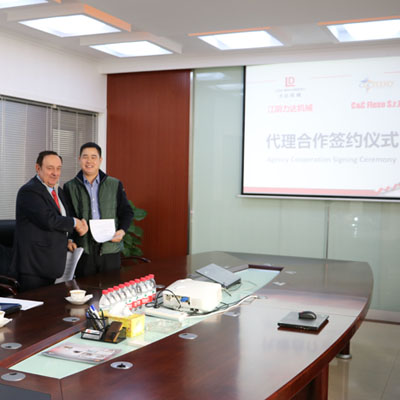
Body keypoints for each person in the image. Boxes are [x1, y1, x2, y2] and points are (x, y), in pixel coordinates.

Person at [10, 151, 88, 292]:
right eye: (50, 168)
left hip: (52, 265)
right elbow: (49, 220)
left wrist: (69, 239)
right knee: (35, 306)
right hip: (34, 268)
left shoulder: (58, 191)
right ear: (38, 168)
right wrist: (75, 223)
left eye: (58, 168)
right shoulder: (29, 191)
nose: (55, 173)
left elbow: (63, 217)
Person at [64, 142, 134, 277]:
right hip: (84, 250)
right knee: (84, 288)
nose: (89, 161)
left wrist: (122, 231)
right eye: (85, 157)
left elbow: (127, 212)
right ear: (79, 159)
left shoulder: (114, 184)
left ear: (100, 160)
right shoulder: (69, 187)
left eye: (93, 157)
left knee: (111, 287)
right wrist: (70, 239)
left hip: (110, 248)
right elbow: (69, 216)